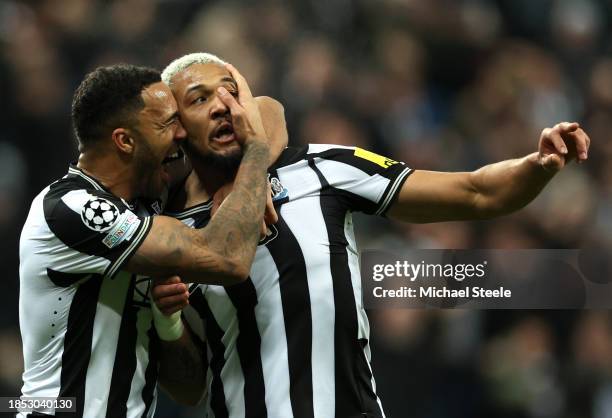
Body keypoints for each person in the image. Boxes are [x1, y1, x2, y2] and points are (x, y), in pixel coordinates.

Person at [155, 52, 591, 418]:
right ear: (177, 128)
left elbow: (476, 192)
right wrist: (167, 321)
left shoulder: (322, 168)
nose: (222, 105)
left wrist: (536, 164)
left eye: (232, 90)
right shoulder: (168, 234)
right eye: (199, 99)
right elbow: (189, 386)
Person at [18, 63, 285, 417]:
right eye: (166, 124)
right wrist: (253, 155)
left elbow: (269, 110)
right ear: (125, 141)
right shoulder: (73, 209)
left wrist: (168, 321)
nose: (181, 135)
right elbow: (229, 258)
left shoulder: (147, 199)